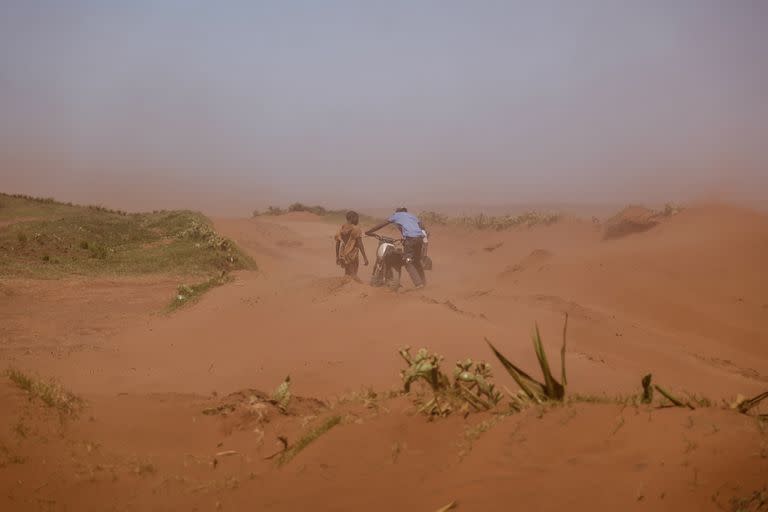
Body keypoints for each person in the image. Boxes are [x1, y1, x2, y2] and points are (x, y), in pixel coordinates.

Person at [366, 207, 426, 289]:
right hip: (419, 239)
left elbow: (382, 224)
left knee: (407, 261)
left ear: (397, 212)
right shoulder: (411, 216)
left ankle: (418, 284)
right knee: (416, 261)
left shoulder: (397, 215)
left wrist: (369, 231)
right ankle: (423, 282)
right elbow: (422, 227)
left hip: (410, 239)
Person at [335, 210, 368, 280]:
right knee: (354, 274)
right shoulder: (356, 229)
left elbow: (337, 243)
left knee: (347, 273)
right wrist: (365, 257)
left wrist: (337, 256)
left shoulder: (342, 228)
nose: (358, 220)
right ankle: (351, 288)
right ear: (352, 218)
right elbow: (360, 244)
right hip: (353, 254)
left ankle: (345, 287)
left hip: (343, 253)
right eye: (357, 218)